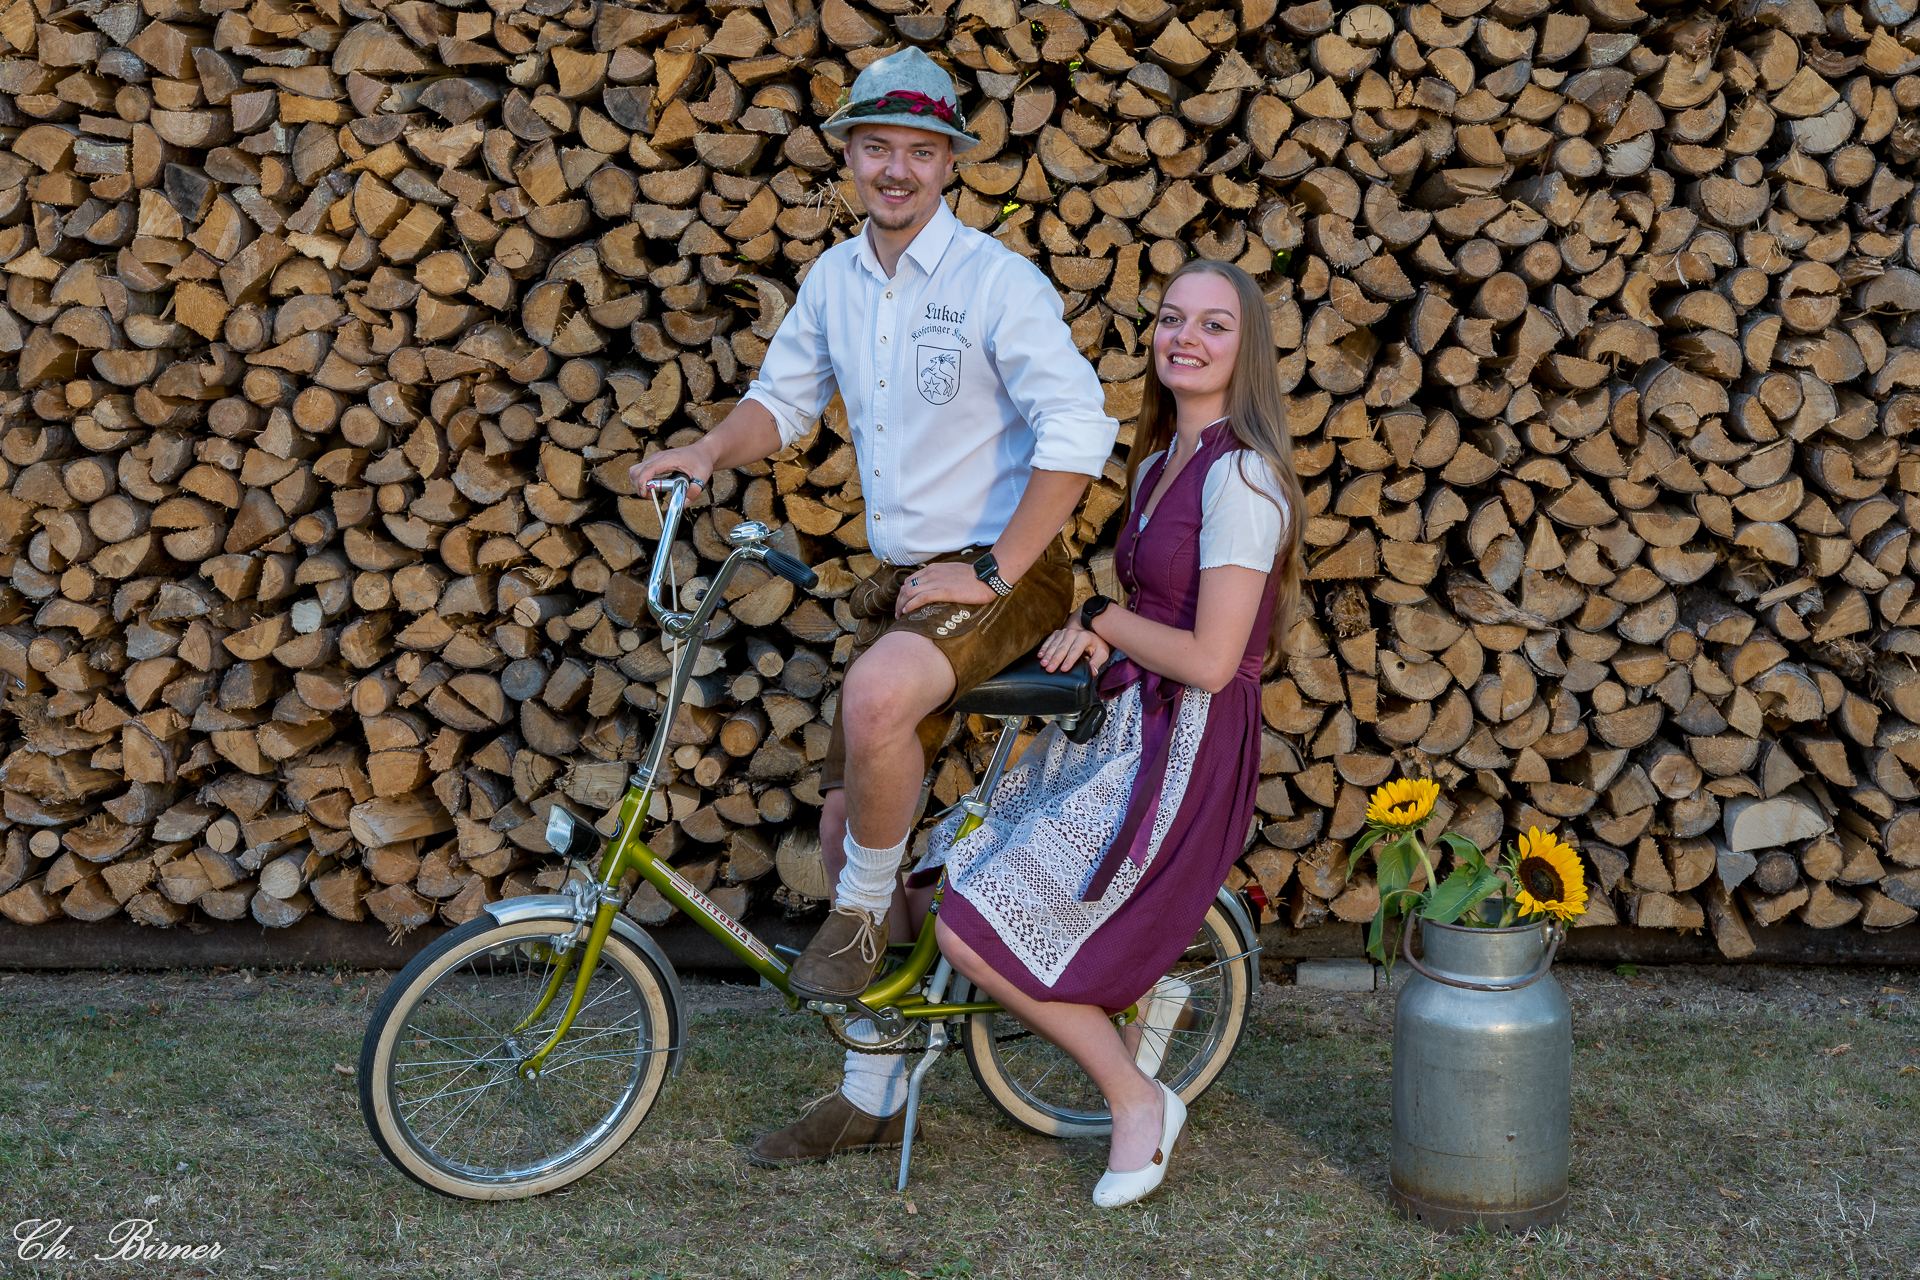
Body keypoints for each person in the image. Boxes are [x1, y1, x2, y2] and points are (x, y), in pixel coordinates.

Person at [628, 47, 1118, 1166]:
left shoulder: (995, 281)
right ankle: (872, 1090)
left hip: (1005, 574)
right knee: (848, 827)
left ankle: (853, 924)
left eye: (920, 152)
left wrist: (997, 567)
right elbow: (780, 400)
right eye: (877, 148)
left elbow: (1079, 428)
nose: (897, 169)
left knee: (877, 700)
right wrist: (709, 451)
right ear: (849, 156)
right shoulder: (836, 281)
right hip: (914, 581)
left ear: (949, 164)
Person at [920, 258, 1306, 1207]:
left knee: (971, 931)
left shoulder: (1244, 478)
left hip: (1188, 741)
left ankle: (1137, 1102)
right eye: (1172, 318)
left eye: (1214, 325)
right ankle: (1140, 1001)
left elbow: (1212, 660)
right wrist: (1102, 635)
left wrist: (1100, 616)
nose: (1186, 338)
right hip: (1136, 717)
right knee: (960, 866)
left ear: (1248, 349)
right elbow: (1155, 613)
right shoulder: (1159, 464)